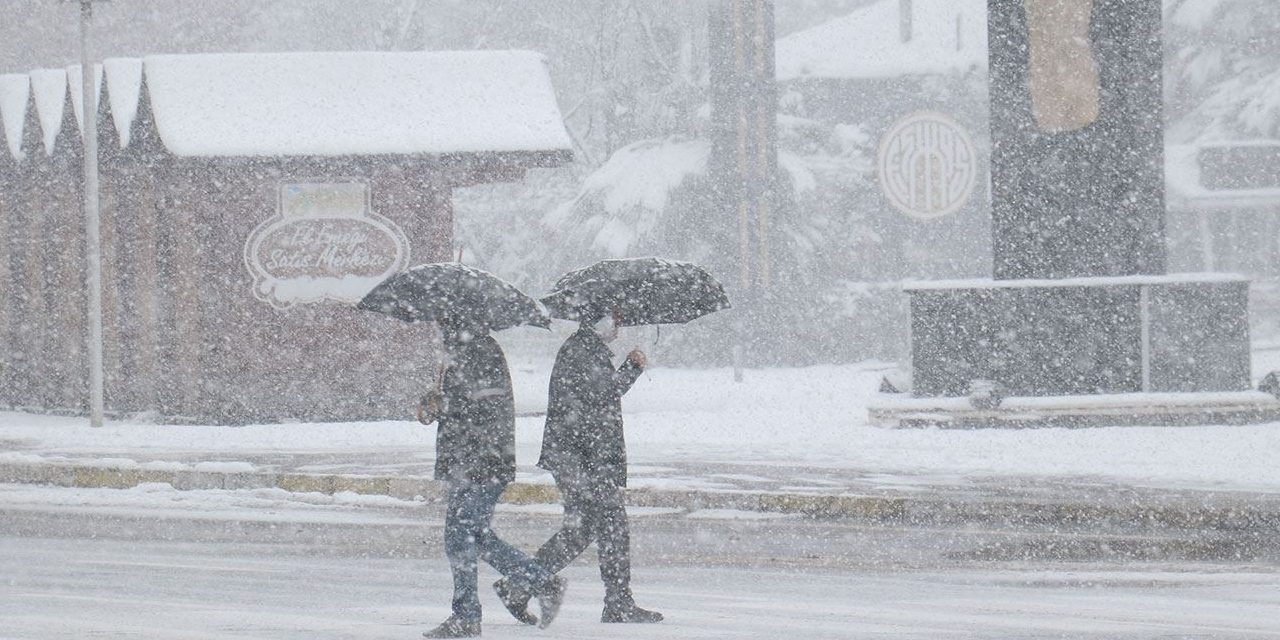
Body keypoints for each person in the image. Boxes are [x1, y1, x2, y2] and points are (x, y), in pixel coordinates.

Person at [493, 308, 663, 625]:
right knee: (611, 526)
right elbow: (603, 397)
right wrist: (632, 367)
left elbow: (597, 398)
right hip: (584, 458)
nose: (619, 325)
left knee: (581, 531)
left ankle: (519, 585)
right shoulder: (582, 350)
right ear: (599, 321)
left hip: (580, 457)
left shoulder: (585, 348)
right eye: (616, 319)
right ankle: (617, 603)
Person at [422, 318, 566, 639]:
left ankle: (467, 616)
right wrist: (435, 402)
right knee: (475, 537)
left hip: (483, 463)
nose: (440, 324)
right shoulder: (463, 352)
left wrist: (446, 405)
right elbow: (464, 406)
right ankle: (541, 581)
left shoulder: (481, 351)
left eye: (445, 318)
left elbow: (483, 408)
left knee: (460, 538)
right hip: (472, 463)